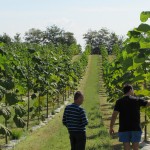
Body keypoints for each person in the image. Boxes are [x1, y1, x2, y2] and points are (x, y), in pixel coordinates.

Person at [109, 84, 150, 150]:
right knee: (136, 147)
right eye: (133, 90)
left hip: (123, 128)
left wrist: (111, 127)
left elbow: (114, 115)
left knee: (126, 147)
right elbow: (148, 103)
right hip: (135, 128)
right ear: (130, 90)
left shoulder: (119, 101)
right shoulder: (137, 100)